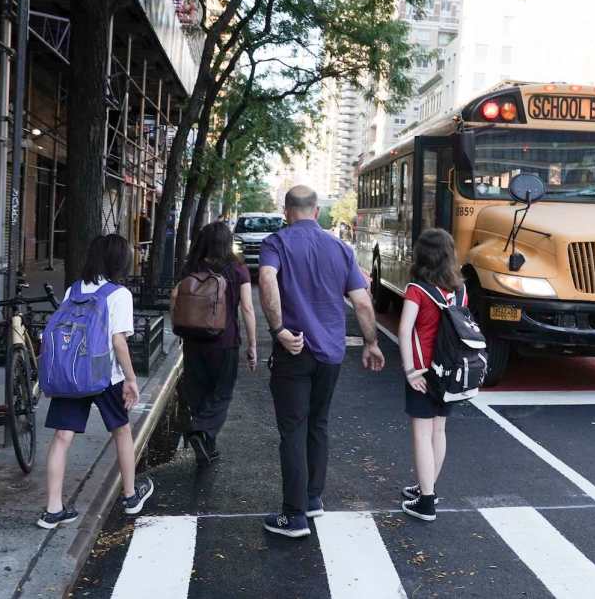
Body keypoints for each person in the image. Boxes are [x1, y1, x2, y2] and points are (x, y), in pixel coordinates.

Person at [258, 185, 385, 538]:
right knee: (318, 424)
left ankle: (293, 515)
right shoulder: (340, 248)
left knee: (293, 429)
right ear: (316, 212)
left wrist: (278, 328)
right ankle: (313, 499)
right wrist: (371, 342)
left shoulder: (276, 243)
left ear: (287, 211)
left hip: (295, 349)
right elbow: (361, 301)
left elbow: (266, 278)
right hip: (330, 353)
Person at [38, 234, 154, 529]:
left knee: (62, 438)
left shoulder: (74, 290)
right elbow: (118, 342)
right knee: (121, 431)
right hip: (106, 377)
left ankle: (53, 510)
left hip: (72, 373)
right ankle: (130, 497)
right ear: (120, 261)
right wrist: (131, 379)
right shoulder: (119, 294)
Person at [396, 228, 465, 522]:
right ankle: (429, 487)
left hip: (423, 370)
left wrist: (410, 370)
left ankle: (426, 502)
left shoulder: (417, 289)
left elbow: (404, 329)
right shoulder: (460, 290)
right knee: (439, 431)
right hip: (449, 371)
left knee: (422, 435)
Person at [176, 222, 256, 465]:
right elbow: (248, 308)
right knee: (221, 395)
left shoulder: (191, 267)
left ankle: (207, 447)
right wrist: (253, 345)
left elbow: (175, 299)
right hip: (225, 342)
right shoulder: (237, 268)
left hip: (192, 341)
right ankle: (201, 431)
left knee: (199, 394)